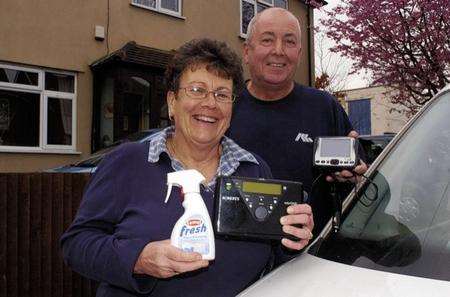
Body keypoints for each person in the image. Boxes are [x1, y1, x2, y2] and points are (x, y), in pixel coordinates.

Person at [60, 38, 314, 297]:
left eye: (222, 94)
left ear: (231, 108)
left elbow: (273, 260)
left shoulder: (254, 168)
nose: (210, 104)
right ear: (172, 101)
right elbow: (77, 244)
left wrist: (291, 240)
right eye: (196, 90)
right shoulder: (128, 162)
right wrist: (138, 259)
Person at [227, 7, 367, 235]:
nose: (279, 51)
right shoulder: (225, 107)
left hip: (309, 257)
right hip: (237, 256)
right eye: (267, 40)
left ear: (300, 54)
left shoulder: (324, 107)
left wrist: (353, 175)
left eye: (290, 42)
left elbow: (358, 174)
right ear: (246, 51)